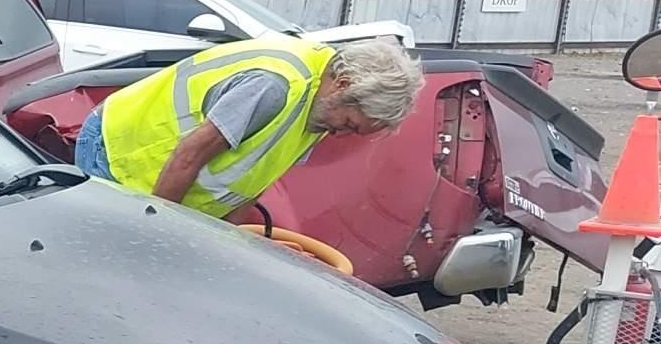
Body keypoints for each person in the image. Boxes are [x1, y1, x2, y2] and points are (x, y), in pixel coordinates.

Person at [73, 35, 423, 217]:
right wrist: (161, 233)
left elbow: (253, 180)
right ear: (345, 84)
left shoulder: (319, 106)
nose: (341, 134)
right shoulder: (275, 87)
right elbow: (189, 154)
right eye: (349, 124)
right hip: (118, 150)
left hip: (162, 172)